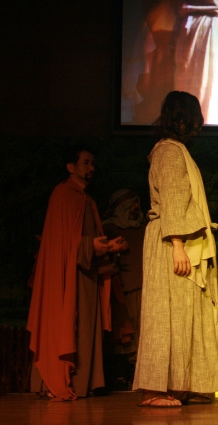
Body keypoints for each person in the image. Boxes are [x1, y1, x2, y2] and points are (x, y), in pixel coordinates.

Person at [133, 91, 218, 407]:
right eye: (195, 117)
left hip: (180, 239)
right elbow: (172, 197)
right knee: (165, 313)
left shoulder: (176, 150)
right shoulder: (169, 151)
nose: (199, 124)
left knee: (185, 314)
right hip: (172, 241)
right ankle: (155, 389)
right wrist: (178, 244)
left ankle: (182, 384)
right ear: (183, 119)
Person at [27, 146, 127, 401]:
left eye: (92, 163)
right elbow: (57, 243)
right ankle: (57, 380)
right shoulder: (62, 195)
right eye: (85, 163)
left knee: (85, 327)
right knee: (66, 323)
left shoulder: (86, 200)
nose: (91, 168)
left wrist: (107, 246)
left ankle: (84, 383)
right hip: (65, 276)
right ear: (70, 167)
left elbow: (85, 240)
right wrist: (90, 246)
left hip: (86, 273)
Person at [102, 189, 147, 387]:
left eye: (136, 203)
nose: (136, 208)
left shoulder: (145, 228)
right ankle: (119, 377)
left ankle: (138, 377)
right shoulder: (108, 228)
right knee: (122, 335)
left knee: (143, 335)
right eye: (131, 205)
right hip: (120, 289)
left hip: (144, 288)